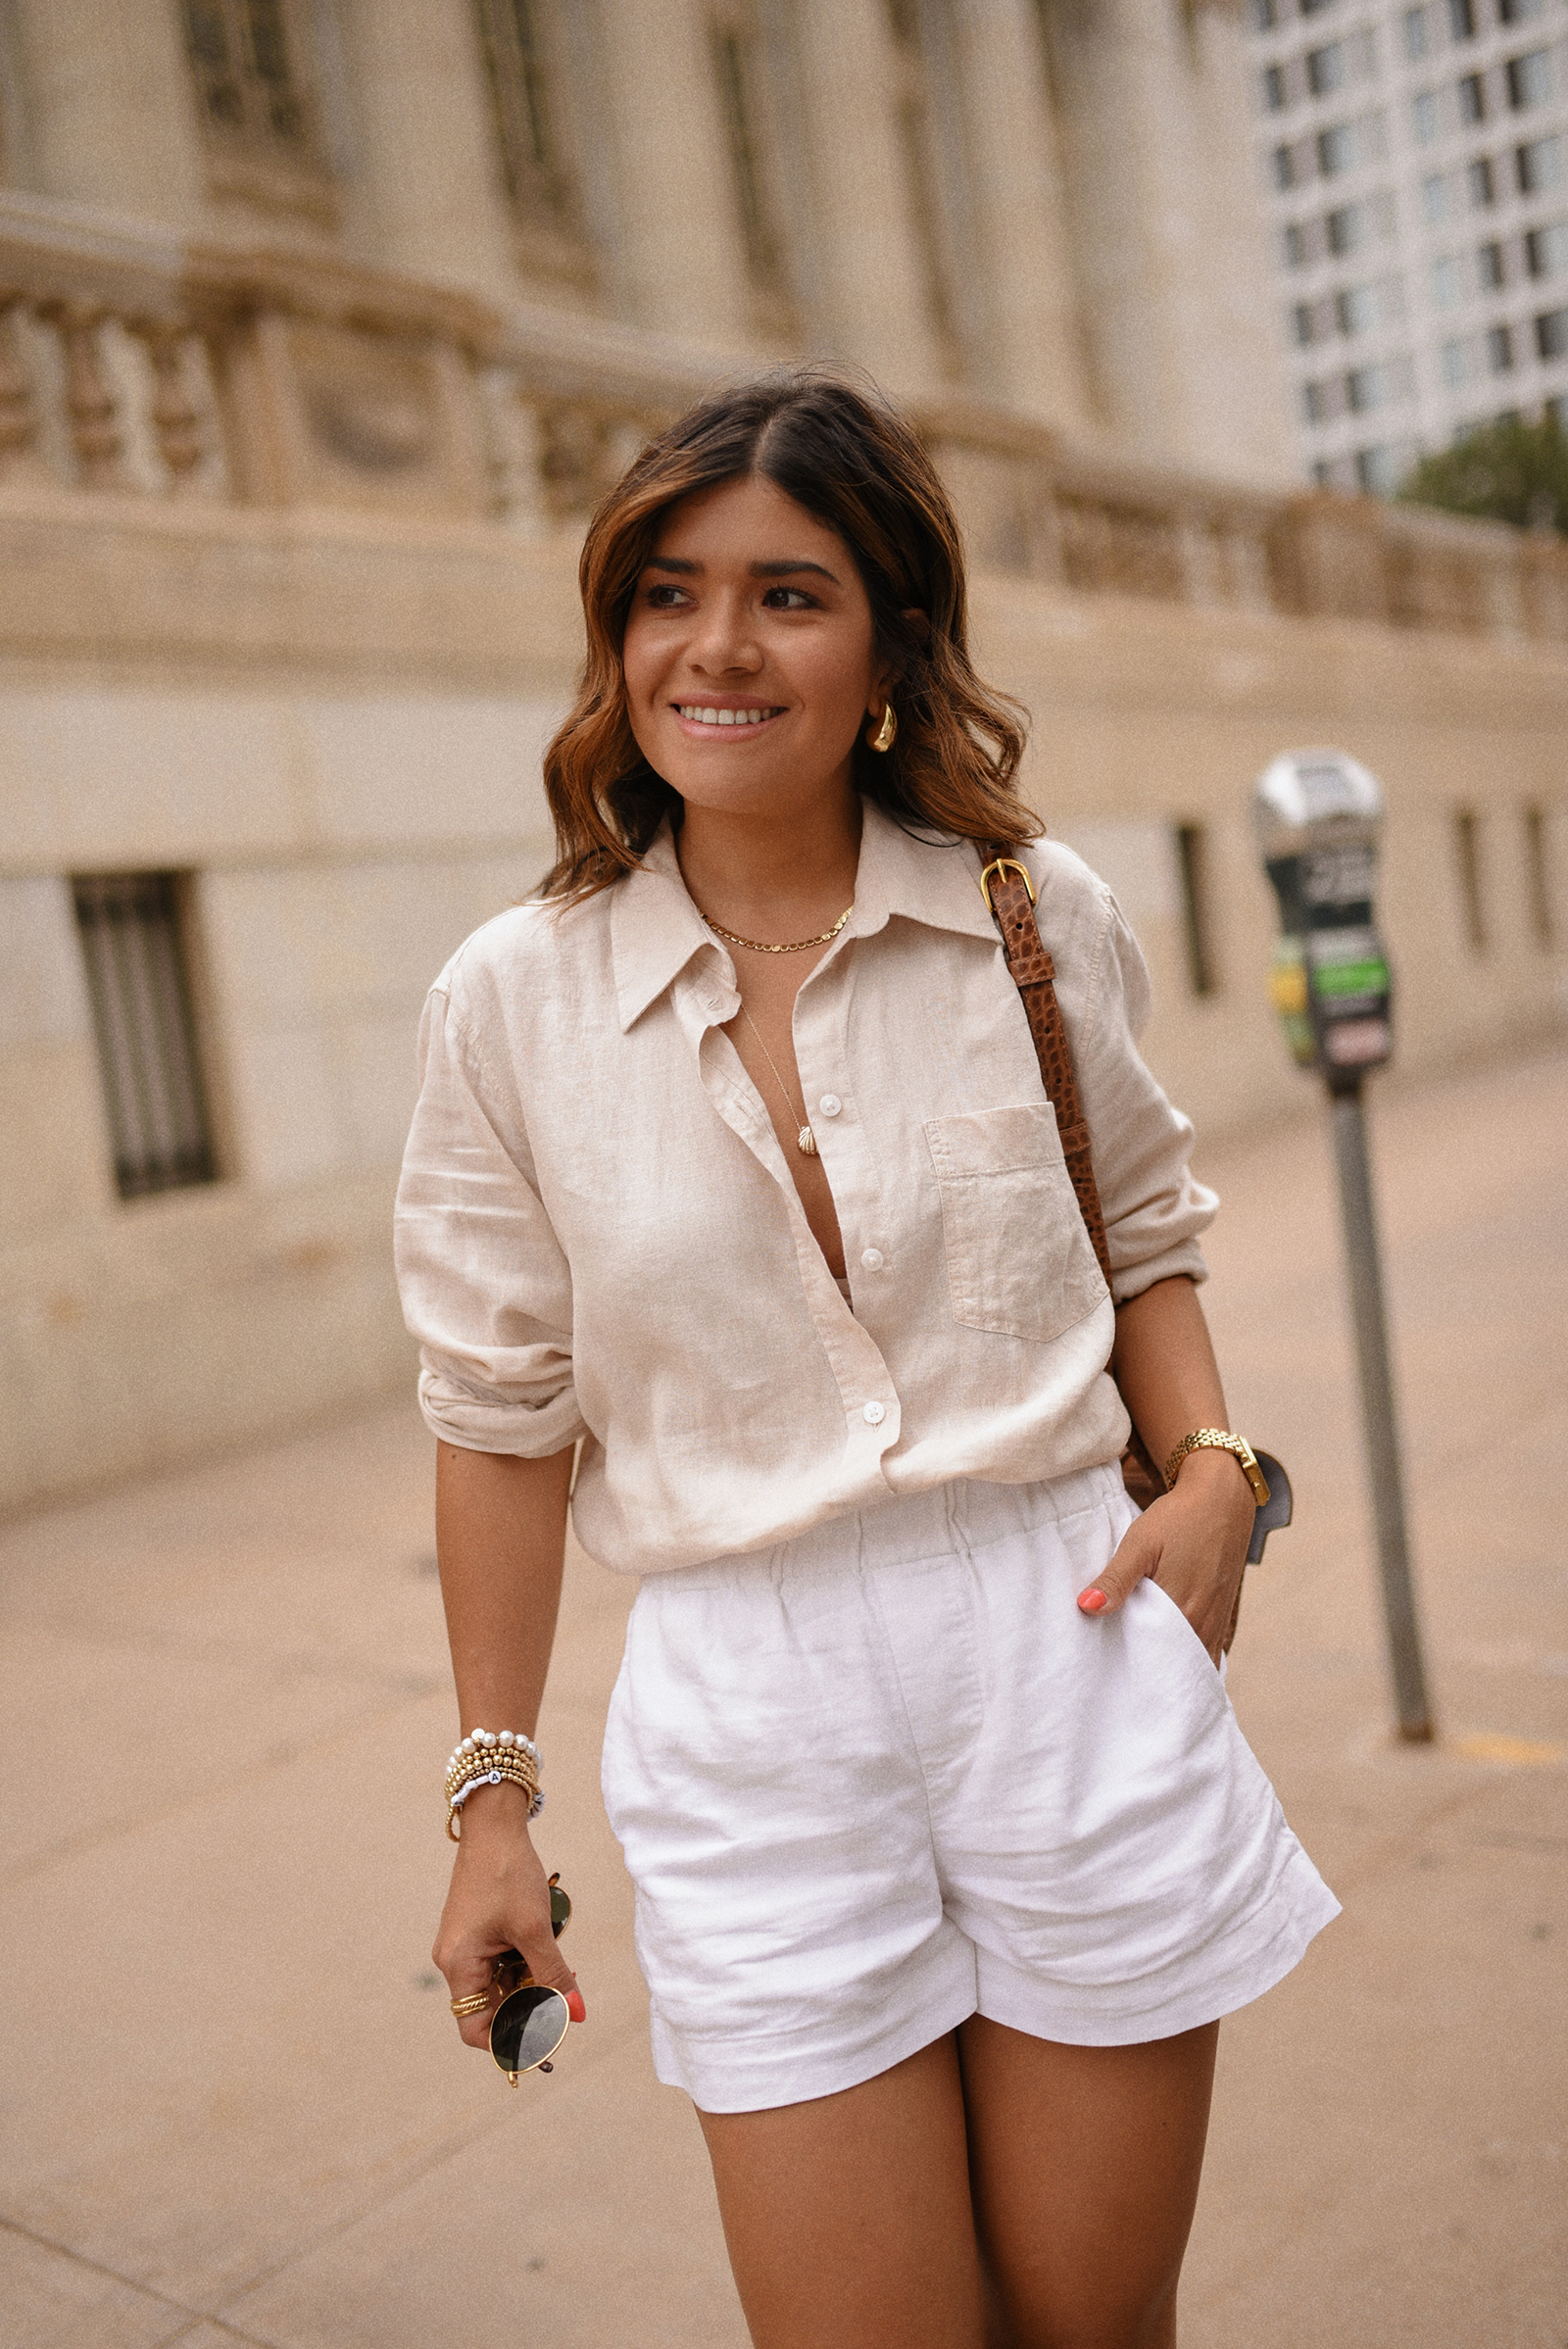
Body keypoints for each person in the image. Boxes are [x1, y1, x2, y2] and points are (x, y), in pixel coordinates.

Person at [394, 370, 1338, 2349]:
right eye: (665, 592)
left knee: (1091, 2322)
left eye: (786, 593)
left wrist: (1211, 1481)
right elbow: (496, 1415)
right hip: (751, 1704)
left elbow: (1141, 1236)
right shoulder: (512, 999)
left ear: (892, 644)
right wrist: (495, 1794)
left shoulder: (1027, 916)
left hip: (1061, 1636)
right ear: (614, 635)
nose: (715, 645)